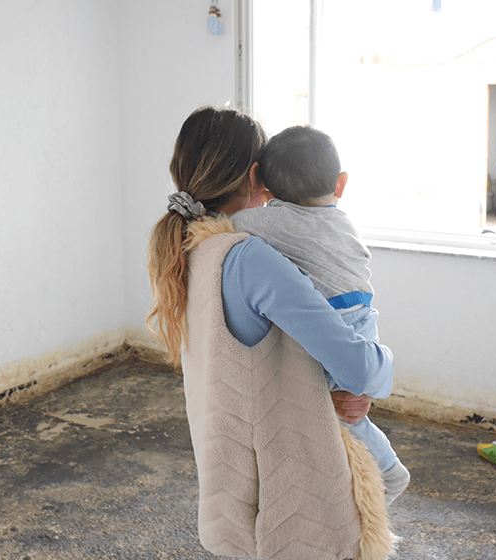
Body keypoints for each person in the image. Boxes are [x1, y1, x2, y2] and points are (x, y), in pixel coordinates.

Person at [147, 107, 396, 560]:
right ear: (256, 175)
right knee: (392, 478)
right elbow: (359, 367)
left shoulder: (192, 249)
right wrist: (380, 369)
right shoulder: (250, 259)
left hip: (232, 471)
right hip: (291, 480)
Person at [230, 125, 410, 506]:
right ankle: (383, 472)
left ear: (262, 184)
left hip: (335, 319)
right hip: (364, 316)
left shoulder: (266, 222)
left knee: (338, 412)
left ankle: (388, 471)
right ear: (340, 184)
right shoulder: (342, 222)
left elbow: (229, 224)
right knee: (349, 410)